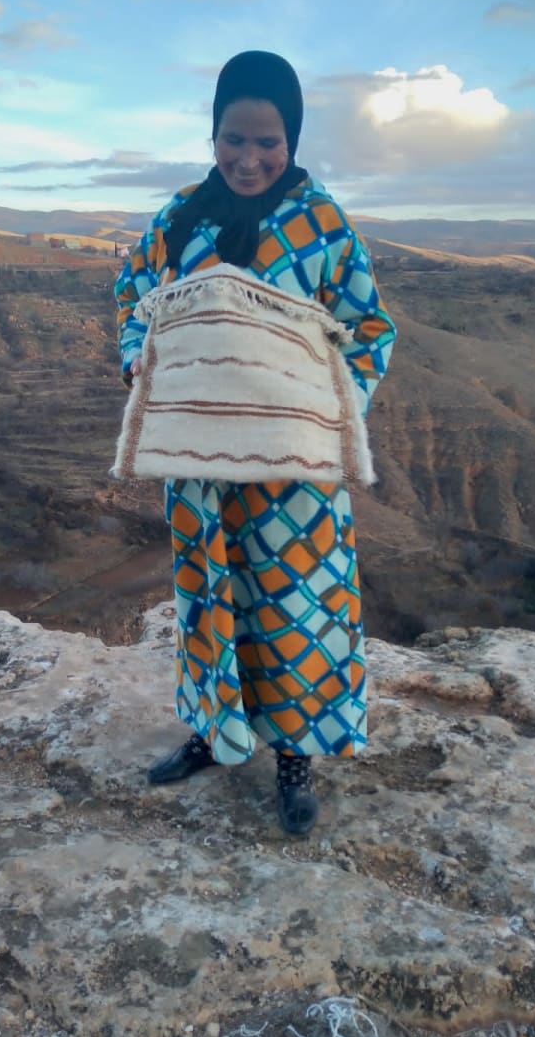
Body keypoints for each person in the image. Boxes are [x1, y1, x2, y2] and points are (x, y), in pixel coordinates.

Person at [114, 51, 396, 835]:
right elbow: (136, 298)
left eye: (267, 141)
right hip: (201, 461)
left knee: (296, 608)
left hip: (291, 472)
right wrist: (140, 358)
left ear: (292, 140)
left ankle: (294, 758)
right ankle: (214, 732)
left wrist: (327, 406)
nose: (249, 157)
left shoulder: (323, 221)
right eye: (233, 138)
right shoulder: (178, 218)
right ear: (213, 135)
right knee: (212, 597)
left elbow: (369, 327)